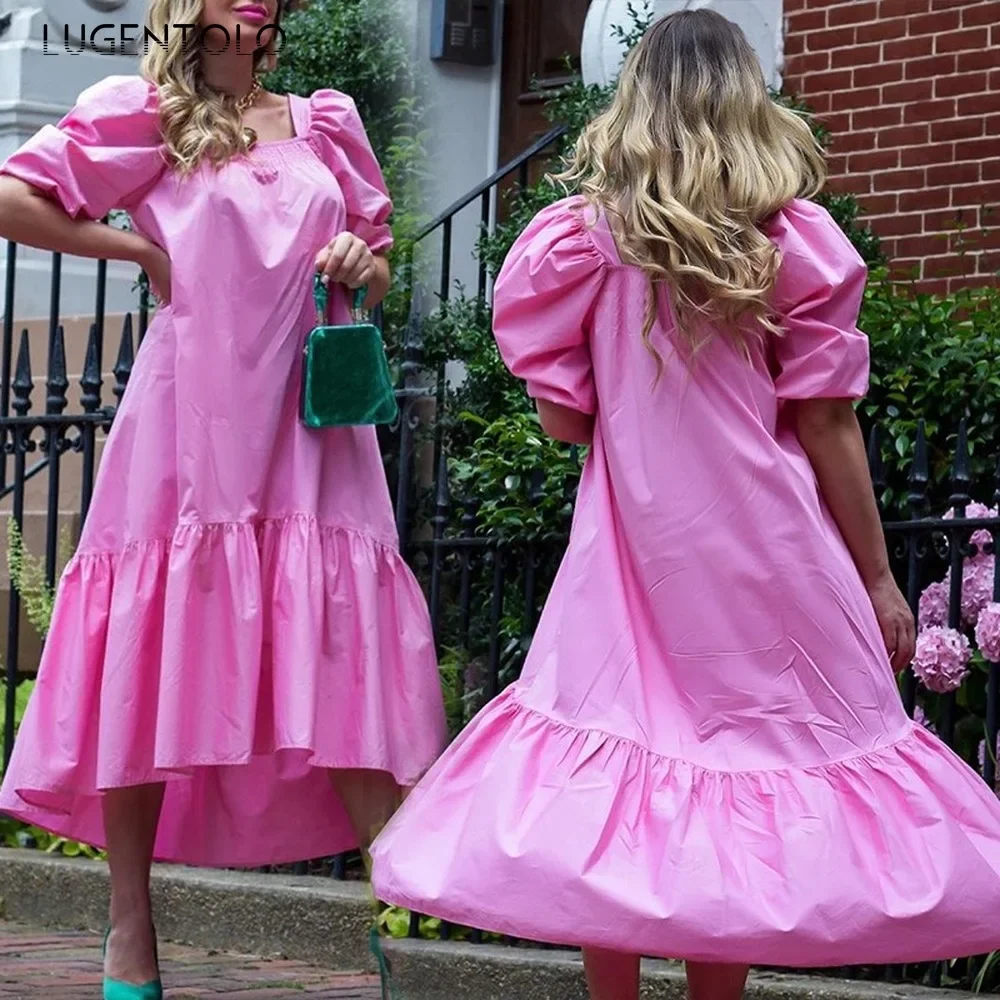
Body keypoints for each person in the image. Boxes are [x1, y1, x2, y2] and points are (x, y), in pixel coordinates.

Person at [369, 10, 1000, 1000]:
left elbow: (568, 425)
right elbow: (829, 429)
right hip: (765, 556)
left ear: (637, 101)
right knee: (738, 789)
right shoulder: (791, 245)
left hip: (631, 558)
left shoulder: (580, 244)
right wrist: (876, 577)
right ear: (746, 99)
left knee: (608, 795)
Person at [0, 0, 446, 997]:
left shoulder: (324, 119)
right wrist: (140, 253)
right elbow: (10, 198)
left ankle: (397, 914)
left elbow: (375, 269)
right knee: (142, 656)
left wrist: (358, 266)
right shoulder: (145, 112)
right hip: (188, 423)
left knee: (340, 655)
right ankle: (129, 928)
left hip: (311, 431)